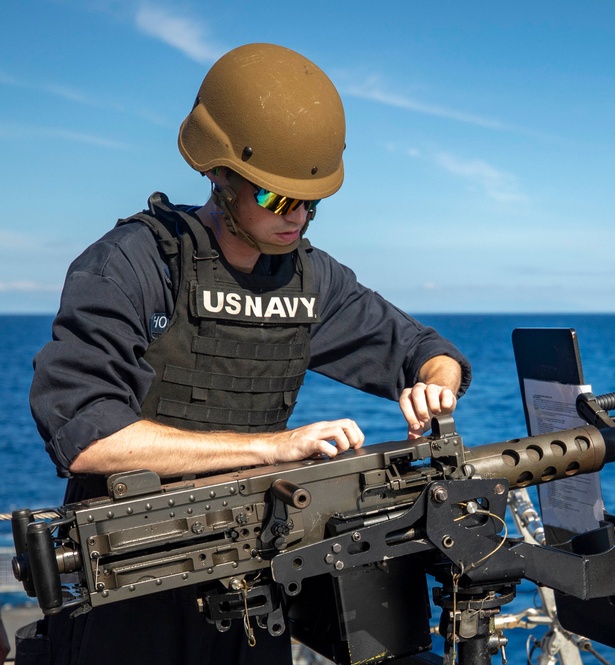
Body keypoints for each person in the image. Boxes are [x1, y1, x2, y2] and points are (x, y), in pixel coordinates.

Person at [28, 43, 472, 665]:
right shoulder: (133, 264)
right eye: (275, 199)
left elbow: (424, 349)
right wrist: (274, 448)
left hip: (252, 584)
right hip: (134, 584)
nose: (297, 219)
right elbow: (87, 434)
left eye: (311, 203)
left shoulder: (309, 279)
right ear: (219, 176)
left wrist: (435, 383)